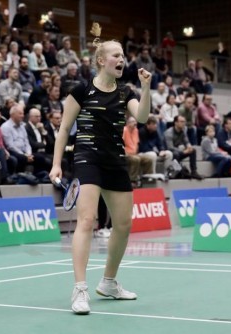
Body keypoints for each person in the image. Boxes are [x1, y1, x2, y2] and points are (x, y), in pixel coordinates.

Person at [48, 23, 152, 315]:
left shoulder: (125, 91)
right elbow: (65, 127)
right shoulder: (81, 90)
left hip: (115, 159)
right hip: (87, 158)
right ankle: (80, 289)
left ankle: (108, 282)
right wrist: (57, 164)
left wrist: (146, 88)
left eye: (122, 56)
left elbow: (142, 117)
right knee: (87, 219)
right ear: (101, 60)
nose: (121, 59)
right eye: (116, 55)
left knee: (123, 225)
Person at [164, 115, 203, 180]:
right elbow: (170, 147)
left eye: (184, 122)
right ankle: (179, 172)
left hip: (177, 152)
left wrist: (189, 147)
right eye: (181, 122)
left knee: (193, 150)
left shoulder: (183, 131)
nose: (183, 123)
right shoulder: (169, 133)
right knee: (176, 154)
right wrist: (183, 151)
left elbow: (186, 141)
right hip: (167, 153)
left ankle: (194, 171)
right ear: (176, 123)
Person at [123, 116, 153, 186]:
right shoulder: (124, 130)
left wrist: (136, 153)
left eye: (135, 121)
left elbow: (137, 143)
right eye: (133, 122)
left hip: (134, 153)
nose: (135, 123)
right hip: (126, 154)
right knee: (136, 159)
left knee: (148, 159)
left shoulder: (136, 130)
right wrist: (126, 154)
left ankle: (147, 178)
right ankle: (132, 180)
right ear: (128, 123)